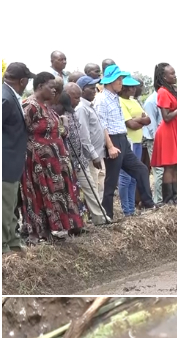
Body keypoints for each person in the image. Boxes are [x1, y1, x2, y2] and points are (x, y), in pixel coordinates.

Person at [19, 72, 85, 242]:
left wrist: (64, 126)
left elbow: (57, 131)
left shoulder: (47, 107)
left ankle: (55, 229)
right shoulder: (29, 106)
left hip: (56, 162)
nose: (55, 91)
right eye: (51, 87)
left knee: (56, 195)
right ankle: (38, 232)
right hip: (38, 162)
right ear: (40, 86)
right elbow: (20, 133)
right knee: (40, 194)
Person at [59, 84, 106, 223]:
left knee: (91, 188)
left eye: (79, 97)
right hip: (67, 162)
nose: (78, 100)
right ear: (66, 96)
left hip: (80, 160)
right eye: (75, 97)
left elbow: (80, 138)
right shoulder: (60, 113)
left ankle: (101, 218)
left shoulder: (73, 112)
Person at [150, 63, 177, 205]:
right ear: (163, 77)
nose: (175, 76)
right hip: (169, 131)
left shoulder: (172, 90)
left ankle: (175, 198)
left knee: (175, 166)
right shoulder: (163, 91)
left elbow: (175, 112)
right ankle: (168, 199)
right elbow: (166, 117)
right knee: (169, 166)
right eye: (172, 74)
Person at [2, 63, 34, 253]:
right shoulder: (5, 98)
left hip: (12, 161)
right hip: (5, 162)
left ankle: (13, 242)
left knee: (11, 204)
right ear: (22, 81)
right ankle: (3, 247)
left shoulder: (10, 96)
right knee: (4, 208)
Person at [73, 76, 111, 223]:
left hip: (97, 153)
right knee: (93, 187)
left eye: (95, 87)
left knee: (98, 185)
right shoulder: (82, 108)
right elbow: (84, 136)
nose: (94, 90)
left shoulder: (89, 105)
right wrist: (94, 156)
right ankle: (97, 217)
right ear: (82, 90)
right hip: (90, 156)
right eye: (90, 87)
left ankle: (99, 216)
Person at [117, 76, 155, 216]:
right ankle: (126, 209)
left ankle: (131, 209)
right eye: (131, 87)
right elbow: (130, 124)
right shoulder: (120, 101)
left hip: (138, 140)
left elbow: (148, 119)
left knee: (134, 176)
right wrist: (140, 120)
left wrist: (137, 120)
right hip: (128, 141)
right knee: (126, 177)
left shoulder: (134, 101)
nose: (135, 89)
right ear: (125, 88)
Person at [141, 78, 163, 203]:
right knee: (159, 170)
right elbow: (151, 125)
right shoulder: (151, 101)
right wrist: (158, 141)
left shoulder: (163, 98)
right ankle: (158, 200)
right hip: (155, 140)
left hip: (163, 140)